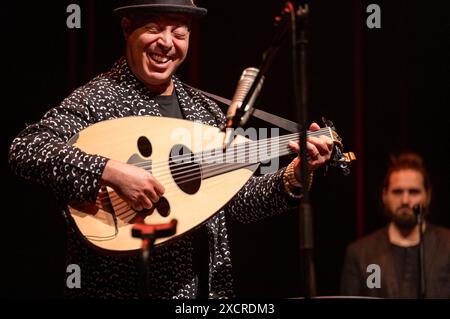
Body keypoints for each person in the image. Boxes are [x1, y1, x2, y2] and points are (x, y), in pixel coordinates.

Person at [8, 0, 333, 299]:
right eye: (154, 29)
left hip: (208, 292)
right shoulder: (97, 99)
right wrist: (112, 171)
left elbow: (236, 204)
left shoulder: (204, 111)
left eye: (179, 32)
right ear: (127, 27)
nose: (167, 42)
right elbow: (27, 149)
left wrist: (292, 177)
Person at [340, 151, 450, 298]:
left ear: (428, 195)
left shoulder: (447, 245)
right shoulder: (360, 253)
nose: (405, 200)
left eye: (414, 192)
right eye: (397, 192)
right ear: (384, 195)